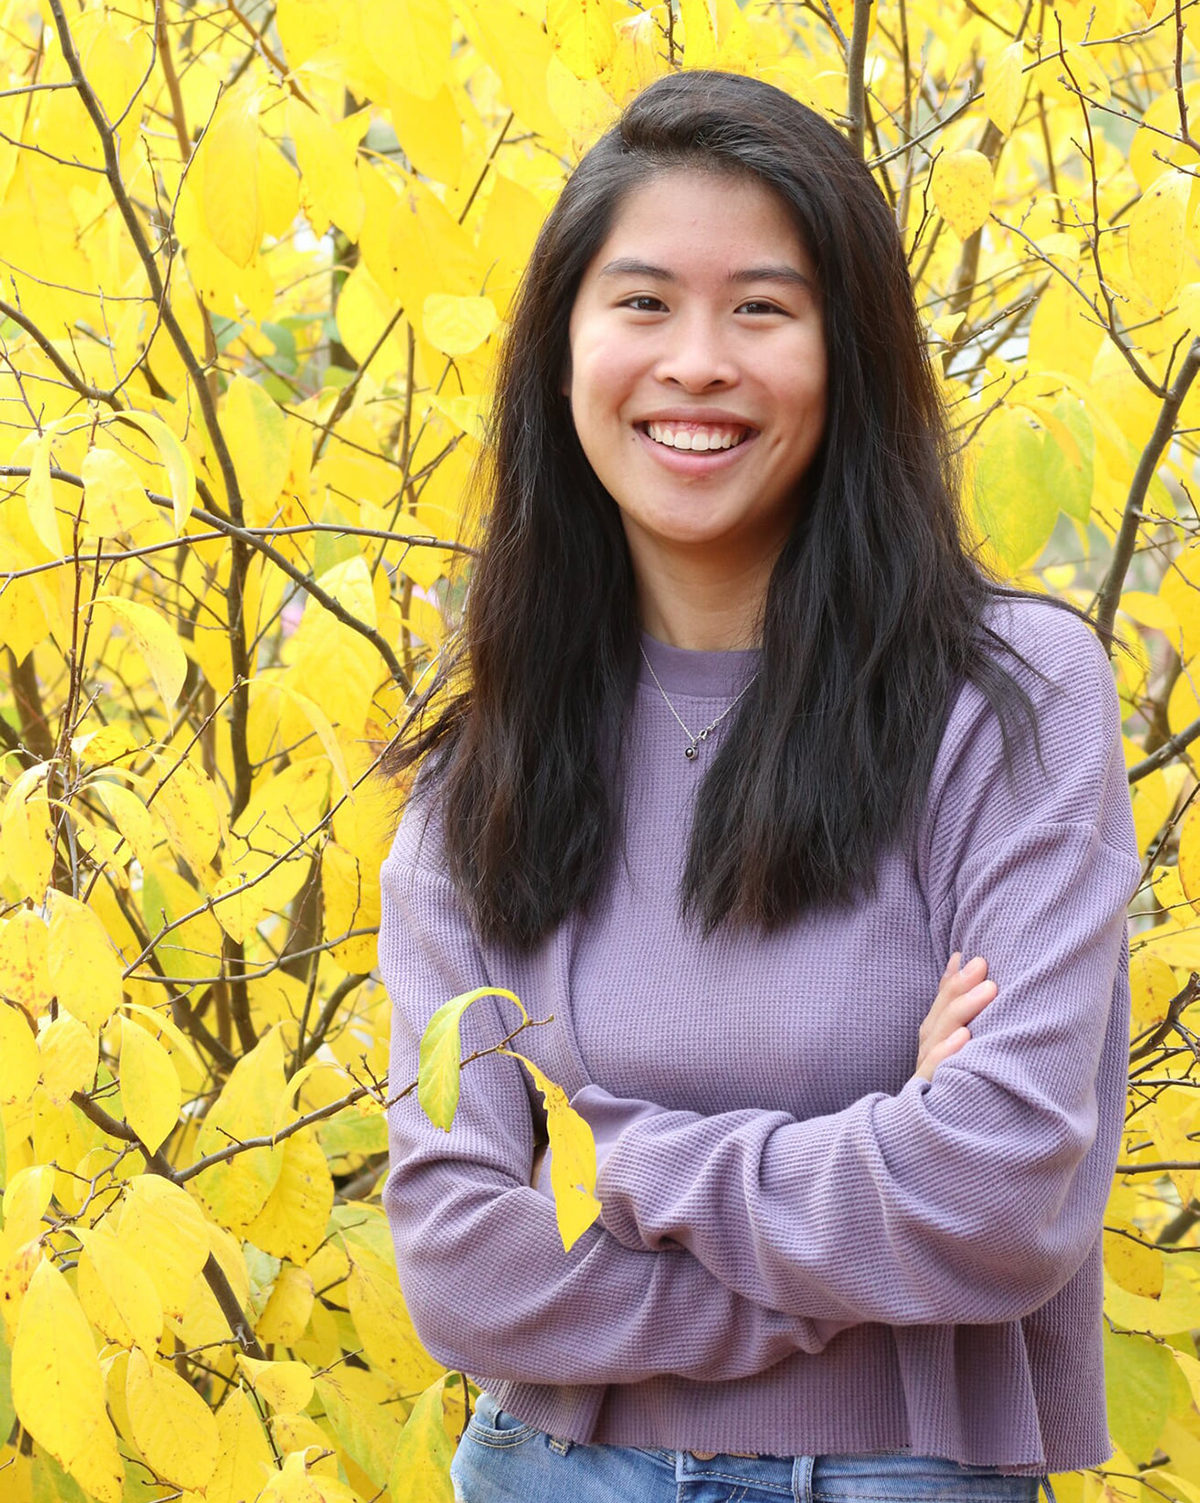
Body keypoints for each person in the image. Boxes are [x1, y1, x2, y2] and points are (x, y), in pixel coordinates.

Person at [379, 70, 1139, 1503]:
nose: (698, 363)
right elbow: (469, 1276)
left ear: (849, 360)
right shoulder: (480, 780)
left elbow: (1001, 1194)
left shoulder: (1006, 700)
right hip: (558, 1471)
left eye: (764, 310)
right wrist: (869, 1186)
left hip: (905, 1476)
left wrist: (612, 1157)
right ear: (563, 357)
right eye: (646, 303)